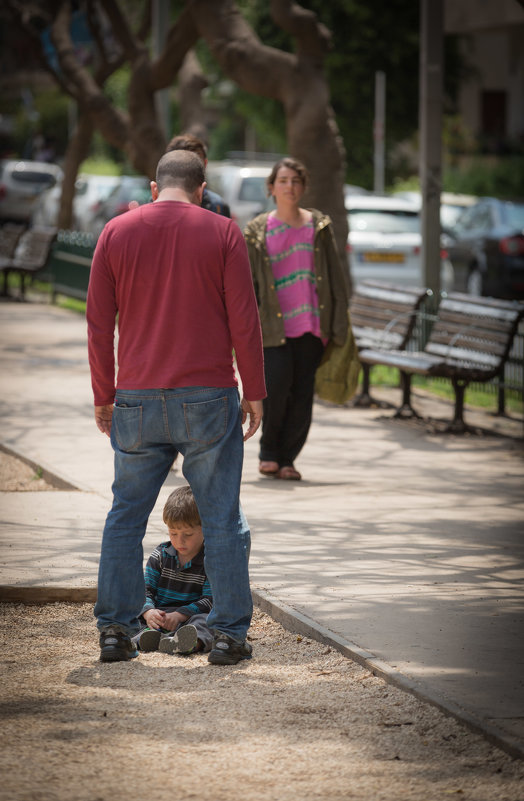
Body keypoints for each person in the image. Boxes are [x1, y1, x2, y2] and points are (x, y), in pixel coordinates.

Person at [86, 149, 266, 666]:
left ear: (153, 186)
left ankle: (116, 631)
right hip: (208, 395)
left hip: (137, 396)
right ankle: (228, 633)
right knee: (222, 517)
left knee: (125, 516)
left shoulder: (115, 233)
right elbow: (244, 319)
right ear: (203, 188)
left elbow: (99, 325)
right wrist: (254, 389)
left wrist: (105, 394)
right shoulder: (222, 231)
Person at [244, 156, 348, 481]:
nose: (290, 186)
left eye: (296, 181)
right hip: (272, 327)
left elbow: (334, 276)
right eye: (284, 180)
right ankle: (268, 451)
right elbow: (248, 283)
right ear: (272, 188)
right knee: (275, 387)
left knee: (302, 392)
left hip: (311, 325)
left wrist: (337, 323)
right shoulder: (257, 230)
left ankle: (288, 458)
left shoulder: (319, 226)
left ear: (303, 187)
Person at [133, 486, 214, 656]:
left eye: (188, 534)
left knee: (209, 621)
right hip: (160, 614)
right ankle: (146, 638)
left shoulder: (210, 559)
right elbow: (144, 590)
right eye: (173, 533)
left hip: (190, 617)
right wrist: (149, 612)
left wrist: (179, 615)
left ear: (205, 528)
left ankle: (191, 643)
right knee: (130, 613)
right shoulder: (161, 555)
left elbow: (209, 600)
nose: (179, 541)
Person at [165, 133, 230, 217]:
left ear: (205, 163)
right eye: (182, 164)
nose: (190, 171)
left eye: (197, 164)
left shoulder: (218, 206)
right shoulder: (156, 205)